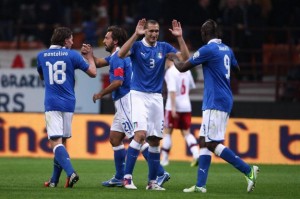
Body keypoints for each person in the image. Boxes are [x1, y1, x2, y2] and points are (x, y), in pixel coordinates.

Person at [166, 19, 259, 193]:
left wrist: (172, 57)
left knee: (211, 143)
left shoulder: (207, 49)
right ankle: (200, 185)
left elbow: (183, 67)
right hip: (223, 98)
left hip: (215, 100)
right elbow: (237, 69)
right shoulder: (227, 49)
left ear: (205, 34)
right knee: (203, 141)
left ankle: (248, 170)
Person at [84, 25, 170, 188]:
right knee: (115, 138)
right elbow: (99, 62)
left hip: (126, 100)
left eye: (107, 38)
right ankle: (118, 176)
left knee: (137, 137)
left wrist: (100, 94)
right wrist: (90, 55)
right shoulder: (117, 55)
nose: (104, 40)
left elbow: (118, 82)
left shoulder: (118, 57)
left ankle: (160, 172)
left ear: (115, 41)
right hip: (124, 101)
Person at [118, 18, 190, 190]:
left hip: (157, 97)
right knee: (140, 134)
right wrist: (135, 34)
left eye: (156, 31)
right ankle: (126, 178)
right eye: (151, 31)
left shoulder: (164, 47)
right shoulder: (137, 46)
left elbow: (185, 58)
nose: (154, 34)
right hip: (138, 95)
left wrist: (180, 38)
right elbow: (120, 54)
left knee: (155, 140)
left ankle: (151, 182)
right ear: (145, 31)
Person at [37, 27, 97, 188]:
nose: (72, 42)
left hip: (52, 102)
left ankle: (71, 173)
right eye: (71, 39)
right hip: (69, 102)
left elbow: (42, 75)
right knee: (62, 142)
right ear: (65, 41)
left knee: (55, 142)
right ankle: (54, 181)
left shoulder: (41, 56)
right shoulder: (72, 55)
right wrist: (89, 57)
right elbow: (93, 72)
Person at [161, 59, 200, 167]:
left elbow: (172, 91)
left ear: (169, 60)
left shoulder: (170, 71)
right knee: (186, 132)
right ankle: (196, 154)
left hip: (173, 106)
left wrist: (173, 108)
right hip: (186, 105)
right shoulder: (186, 71)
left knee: (167, 131)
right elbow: (191, 86)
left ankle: (164, 159)